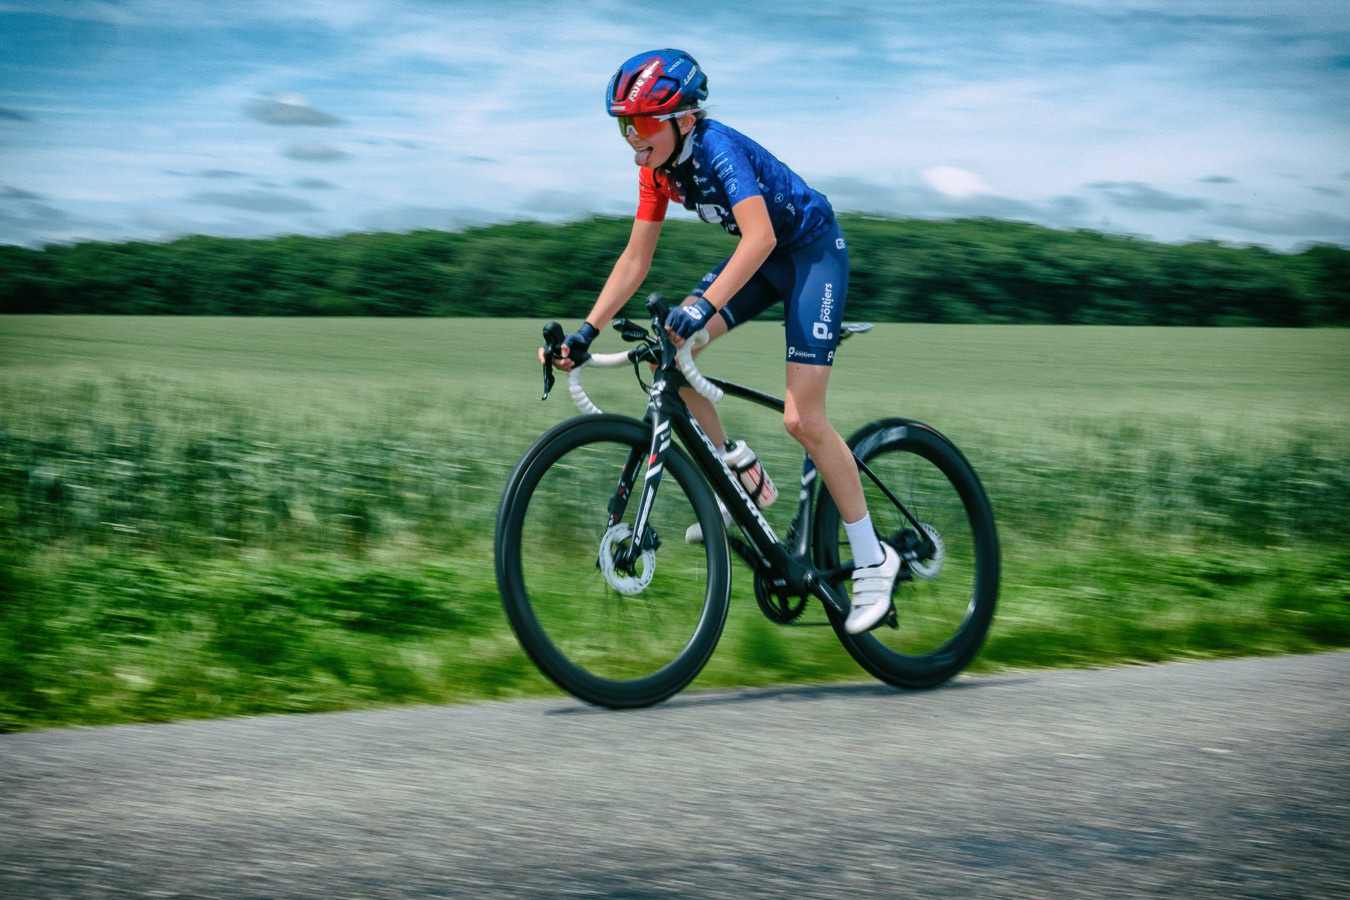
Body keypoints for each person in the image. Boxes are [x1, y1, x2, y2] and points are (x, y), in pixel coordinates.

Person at [540, 48, 899, 634]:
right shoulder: (654, 170)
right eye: (626, 126)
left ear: (684, 117)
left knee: (802, 419)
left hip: (809, 255)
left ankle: (873, 560)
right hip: (763, 260)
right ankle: (740, 475)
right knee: (669, 358)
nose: (634, 138)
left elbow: (757, 237)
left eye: (646, 123)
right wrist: (585, 333)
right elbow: (636, 258)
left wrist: (701, 307)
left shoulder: (717, 147)